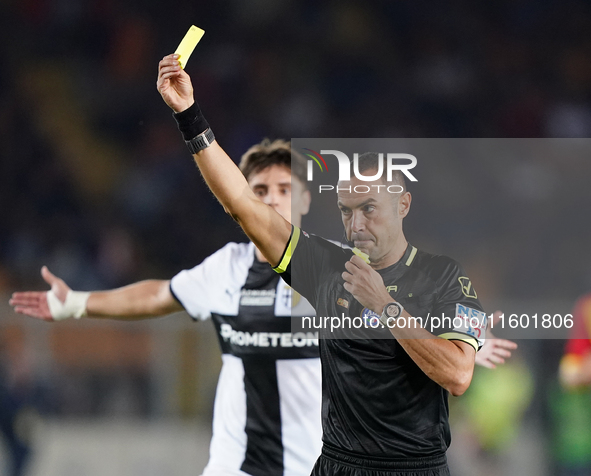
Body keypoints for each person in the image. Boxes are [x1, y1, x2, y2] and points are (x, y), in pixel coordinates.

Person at [154, 52, 497, 476]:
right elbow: (243, 204)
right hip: (337, 465)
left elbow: (459, 374)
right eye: (346, 210)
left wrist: (385, 306)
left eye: (369, 208)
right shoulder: (328, 267)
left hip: (414, 467)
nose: (356, 223)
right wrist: (189, 115)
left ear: (403, 204)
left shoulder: (444, 277)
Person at [9, 139, 323, 476]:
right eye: (259, 190)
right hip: (236, 466)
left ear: (305, 200)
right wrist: (77, 303)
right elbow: (159, 295)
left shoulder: (332, 270)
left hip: (314, 465)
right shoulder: (228, 267)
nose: (271, 198)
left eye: (284, 189)